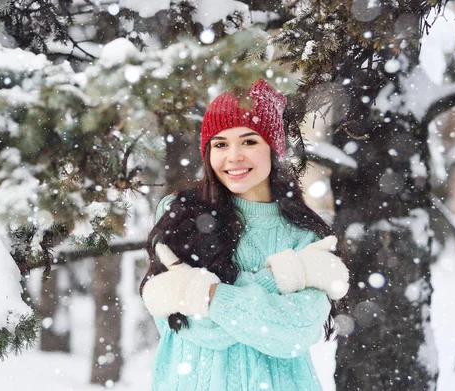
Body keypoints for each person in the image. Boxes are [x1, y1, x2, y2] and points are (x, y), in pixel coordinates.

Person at [139, 79, 350, 391]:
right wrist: (276, 278)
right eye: (221, 144)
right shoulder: (181, 214)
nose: (233, 156)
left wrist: (207, 294)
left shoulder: (303, 231)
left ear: (272, 148)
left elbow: (297, 332)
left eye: (249, 142)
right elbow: (191, 328)